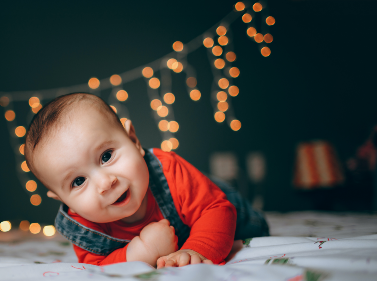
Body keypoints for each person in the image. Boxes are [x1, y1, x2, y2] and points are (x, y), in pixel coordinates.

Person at [25, 93, 269, 268]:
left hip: (227, 209)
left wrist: (196, 250)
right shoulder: (83, 227)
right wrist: (142, 252)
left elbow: (216, 209)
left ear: (133, 140)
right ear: (63, 199)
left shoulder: (169, 170)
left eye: (106, 156)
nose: (105, 183)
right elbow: (98, 266)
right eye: (78, 181)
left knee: (250, 227)